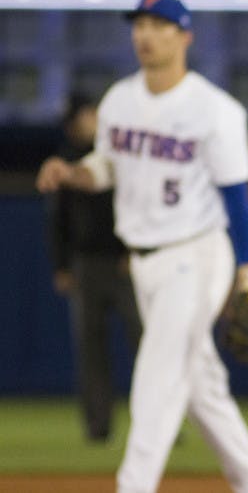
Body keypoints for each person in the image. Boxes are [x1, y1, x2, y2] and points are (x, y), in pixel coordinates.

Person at [36, 0, 248, 493]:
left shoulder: (216, 110)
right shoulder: (121, 100)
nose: (144, 35)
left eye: (157, 25)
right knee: (200, 388)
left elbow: (236, 196)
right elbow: (107, 166)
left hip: (197, 253)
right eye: (139, 25)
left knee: (157, 376)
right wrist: (74, 171)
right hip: (145, 262)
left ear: (184, 35)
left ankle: (134, 485)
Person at [46, 91, 142, 443]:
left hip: (124, 264)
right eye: (84, 115)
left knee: (147, 345)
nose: (89, 120)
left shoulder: (120, 156)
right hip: (86, 264)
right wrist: (62, 265)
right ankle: (98, 426)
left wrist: (136, 250)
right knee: (91, 349)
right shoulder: (68, 161)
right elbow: (56, 220)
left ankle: (158, 424)